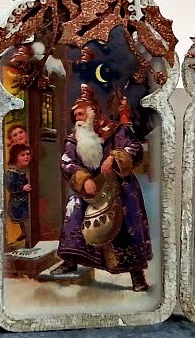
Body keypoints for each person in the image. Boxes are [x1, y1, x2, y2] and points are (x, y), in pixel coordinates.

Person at [53, 84, 152, 291]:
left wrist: (114, 157)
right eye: (75, 115)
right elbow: (67, 162)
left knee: (127, 224)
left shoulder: (117, 130)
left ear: (93, 112)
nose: (77, 118)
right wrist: (84, 179)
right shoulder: (74, 139)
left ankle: (137, 276)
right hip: (89, 189)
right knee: (75, 212)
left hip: (120, 186)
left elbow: (134, 148)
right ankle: (71, 261)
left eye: (81, 113)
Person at [6, 144, 32, 242]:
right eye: (22, 155)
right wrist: (22, 187)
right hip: (18, 202)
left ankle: (27, 236)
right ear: (15, 157)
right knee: (23, 218)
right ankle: (26, 235)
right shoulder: (12, 172)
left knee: (27, 219)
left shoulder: (28, 169)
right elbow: (10, 186)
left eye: (28, 154)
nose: (26, 157)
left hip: (26, 200)